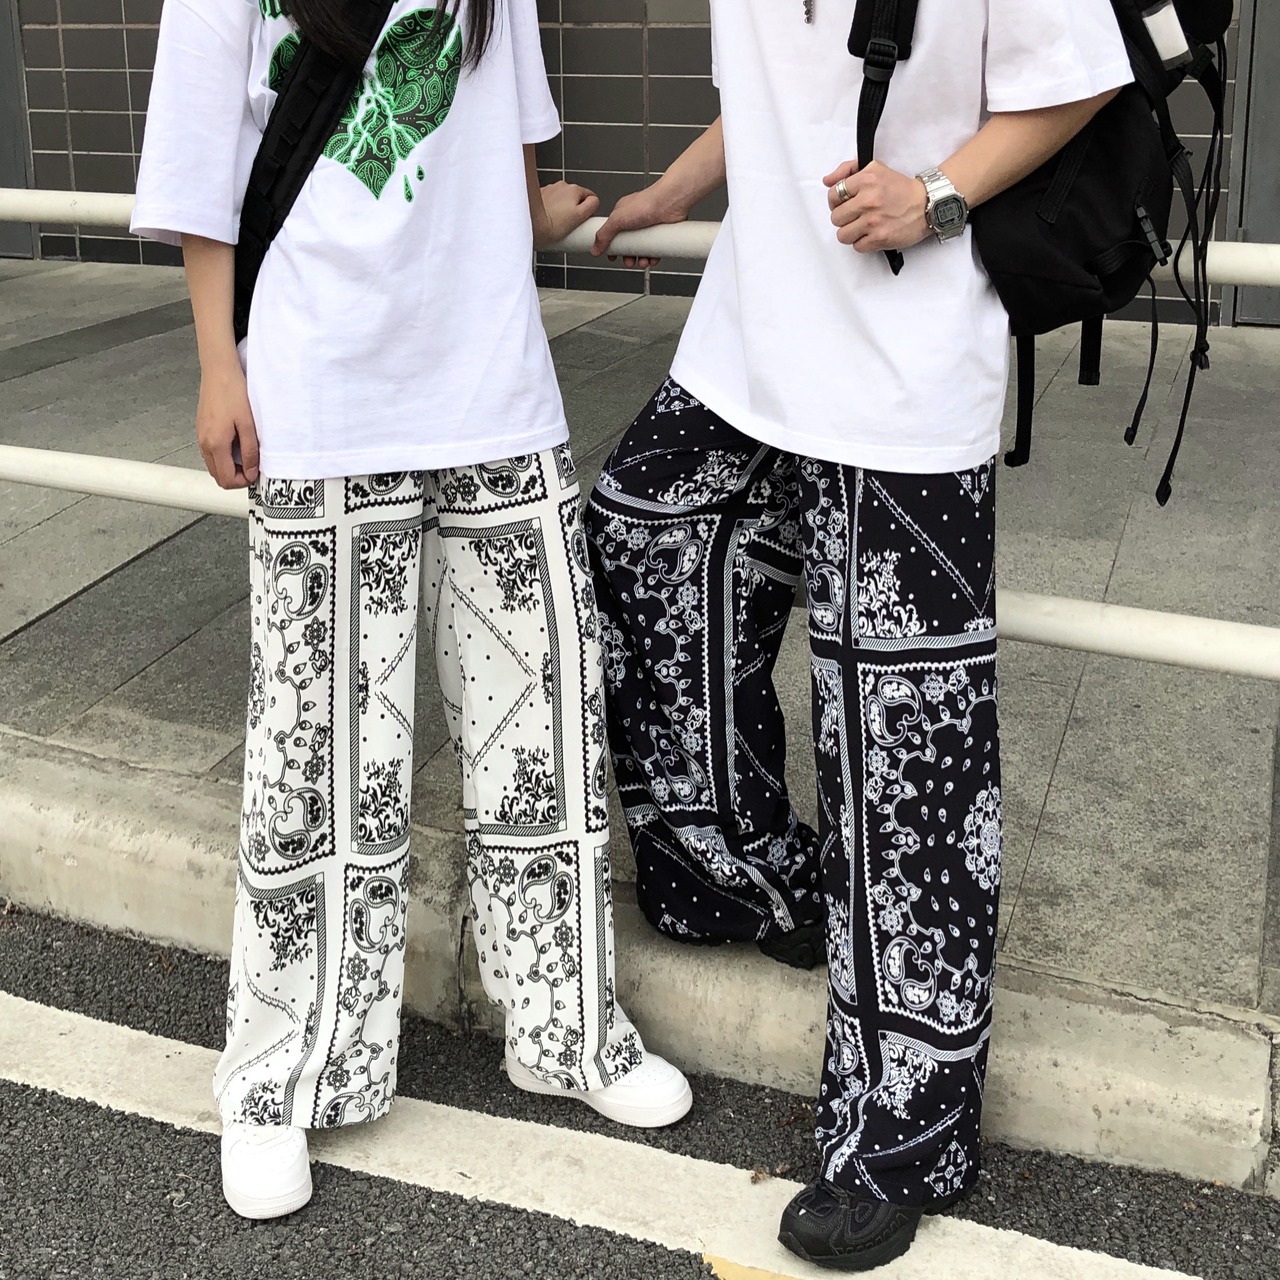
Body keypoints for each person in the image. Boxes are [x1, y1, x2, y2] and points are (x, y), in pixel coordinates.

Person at [583, 1, 1131, 1269]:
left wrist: (937, 192)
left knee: (895, 739)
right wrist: (674, 187)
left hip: (902, 361)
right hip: (747, 340)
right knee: (647, 537)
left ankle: (902, 1124)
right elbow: (785, 91)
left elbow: (1078, 74)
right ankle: (743, 869)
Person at [130, 0, 692, 1223]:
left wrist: (538, 218)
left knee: (542, 728)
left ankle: (565, 1024)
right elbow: (198, 170)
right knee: (316, 751)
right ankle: (281, 1074)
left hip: (495, 388)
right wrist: (219, 367)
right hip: (316, 389)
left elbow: (509, 144)